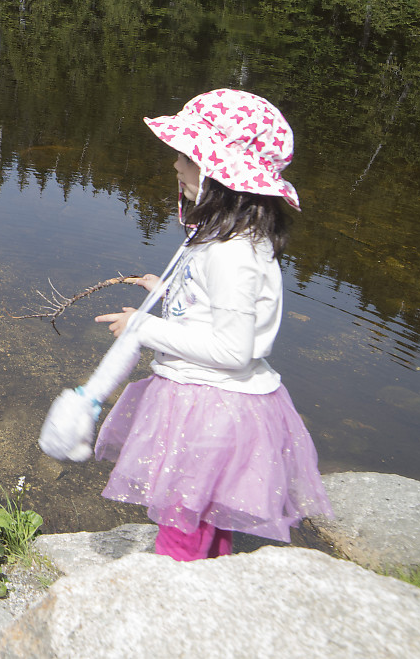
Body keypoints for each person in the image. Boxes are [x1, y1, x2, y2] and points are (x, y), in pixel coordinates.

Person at [91, 89, 332, 562]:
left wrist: (143, 327)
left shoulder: (232, 254)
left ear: (221, 174)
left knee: (182, 520)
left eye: (187, 157)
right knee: (206, 514)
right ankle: (213, 576)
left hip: (210, 408)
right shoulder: (228, 237)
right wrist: (166, 291)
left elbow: (231, 350)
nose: (175, 165)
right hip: (213, 400)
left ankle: (173, 590)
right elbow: (213, 307)